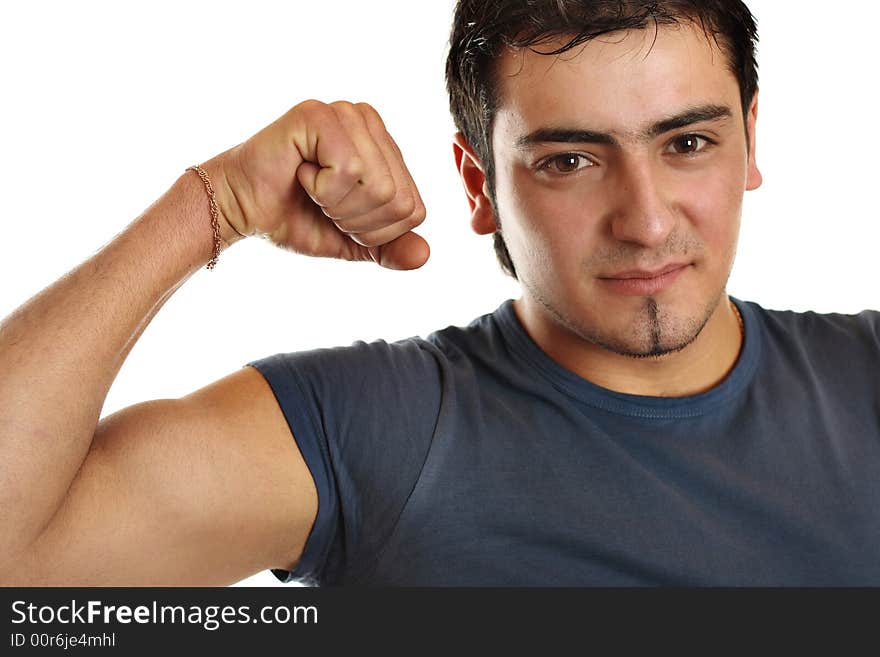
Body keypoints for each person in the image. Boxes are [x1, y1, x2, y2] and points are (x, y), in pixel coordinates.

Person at [1, 0, 879, 586]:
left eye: (687, 144)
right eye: (569, 160)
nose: (646, 222)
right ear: (480, 183)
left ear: (750, 138)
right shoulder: (379, 427)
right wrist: (209, 207)